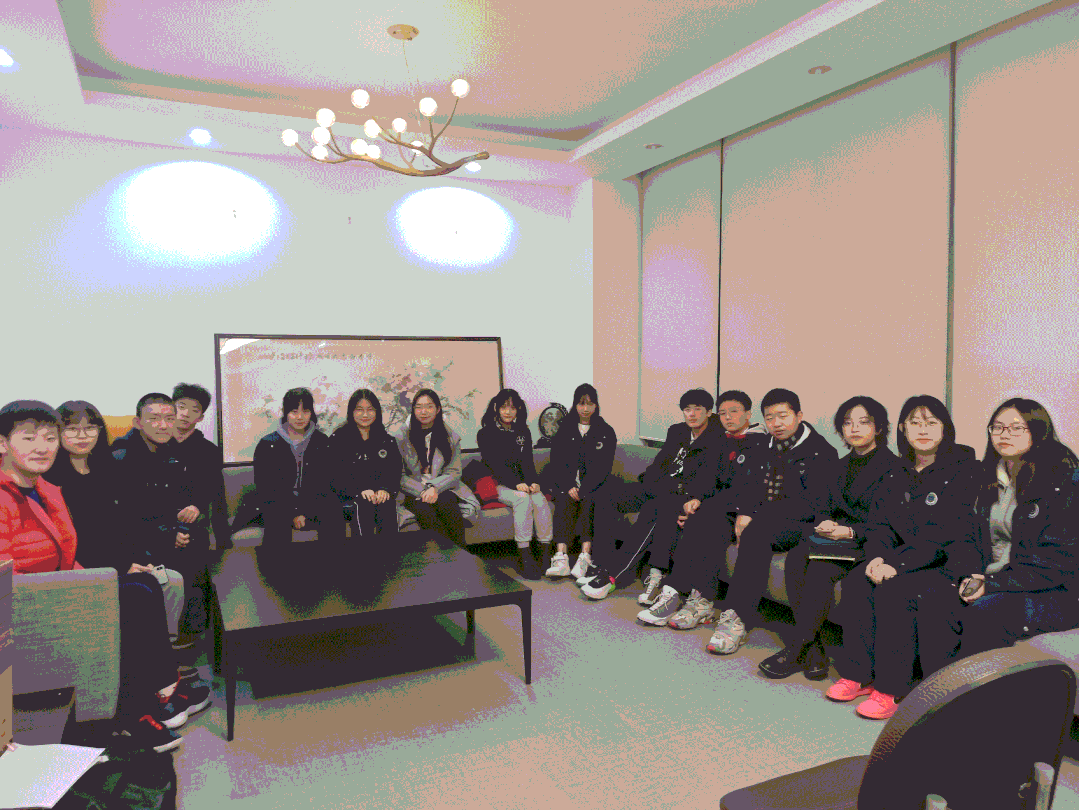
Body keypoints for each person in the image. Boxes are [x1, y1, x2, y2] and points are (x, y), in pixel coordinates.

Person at [0, 400, 210, 753]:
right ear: (3, 443)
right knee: (136, 594)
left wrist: (97, 580)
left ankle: (145, 701)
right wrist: (91, 585)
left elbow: (71, 554)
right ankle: (146, 702)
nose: (42, 447)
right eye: (29, 438)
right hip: (28, 607)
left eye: (49, 437)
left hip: (60, 590)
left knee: (143, 585)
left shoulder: (46, 489)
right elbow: (6, 579)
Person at [854, 398, 1079, 720]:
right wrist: (966, 575)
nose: (1005, 434)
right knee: (933, 596)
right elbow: (967, 537)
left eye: (1017, 428)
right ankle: (935, 698)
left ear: (1038, 431)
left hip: (1053, 590)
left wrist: (992, 583)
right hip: (996, 575)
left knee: (985, 612)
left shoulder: (1063, 482)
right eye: (998, 427)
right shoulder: (990, 477)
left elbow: (1057, 562)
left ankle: (971, 713)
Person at [823, 395, 978, 716]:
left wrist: (896, 564)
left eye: (931, 423)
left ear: (945, 428)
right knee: (857, 581)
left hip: (944, 561)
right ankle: (858, 674)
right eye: (914, 423)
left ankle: (891, 687)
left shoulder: (962, 471)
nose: (923, 430)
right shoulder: (898, 471)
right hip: (900, 557)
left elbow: (944, 534)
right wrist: (877, 557)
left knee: (894, 590)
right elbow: (881, 524)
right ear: (903, 429)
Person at [758, 395, 902, 680]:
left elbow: (888, 523)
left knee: (820, 571)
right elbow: (823, 505)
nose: (854, 428)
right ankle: (814, 649)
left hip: (869, 542)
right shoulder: (840, 464)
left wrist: (851, 531)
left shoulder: (893, 468)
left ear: (879, 427)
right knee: (797, 557)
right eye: (848, 423)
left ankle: (798, 647)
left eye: (863, 422)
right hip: (837, 539)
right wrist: (824, 521)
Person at [698, 388, 838, 656]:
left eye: (783, 416)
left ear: (799, 415)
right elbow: (749, 485)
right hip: (767, 519)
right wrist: (745, 510)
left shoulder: (821, 452)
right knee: (715, 517)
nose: (776, 423)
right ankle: (700, 598)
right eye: (770, 418)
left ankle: (737, 616)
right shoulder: (763, 445)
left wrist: (756, 515)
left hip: (804, 524)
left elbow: (814, 506)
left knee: (756, 533)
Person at [45, 400, 186, 638]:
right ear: (58, 433)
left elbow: (126, 524)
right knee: (159, 586)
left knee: (173, 580)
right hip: (86, 568)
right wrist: (122, 565)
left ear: (99, 431)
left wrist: (138, 560)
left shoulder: (108, 468)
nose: (82, 436)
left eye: (90, 428)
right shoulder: (51, 479)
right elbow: (78, 538)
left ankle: (162, 647)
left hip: (120, 560)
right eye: (72, 429)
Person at [633, 390, 771, 629]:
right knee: (689, 516)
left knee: (704, 523)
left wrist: (710, 505)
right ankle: (683, 596)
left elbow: (750, 488)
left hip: (745, 512)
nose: (728, 418)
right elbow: (710, 478)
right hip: (720, 507)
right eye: (723, 413)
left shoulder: (761, 443)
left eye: (734, 412)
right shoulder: (722, 440)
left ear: (748, 414)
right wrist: (697, 498)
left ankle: (693, 598)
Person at [580, 389, 722, 604]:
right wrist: (649, 481)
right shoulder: (677, 431)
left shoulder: (718, 438)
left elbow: (706, 480)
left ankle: (612, 576)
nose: (691, 414)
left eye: (697, 409)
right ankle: (602, 563)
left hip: (680, 496)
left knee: (653, 509)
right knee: (606, 496)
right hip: (657, 487)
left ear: (709, 412)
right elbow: (659, 464)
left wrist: (675, 491)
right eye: (687, 409)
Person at [112, 393, 213, 649]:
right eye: (154, 419)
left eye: (169, 419)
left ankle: (182, 637)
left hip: (160, 533)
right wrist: (168, 534)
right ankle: (166, 645)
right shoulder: (122, 457)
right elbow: (127, 516)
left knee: (196, 546)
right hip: (129, 545)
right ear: (137, 422)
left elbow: (171, 501)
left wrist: (177, 528)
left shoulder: (170, 452)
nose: (163, 425)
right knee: (179, 565)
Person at [540, 384, 616, 582]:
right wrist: (568, 486)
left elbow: (603, 467)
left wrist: (584, 489)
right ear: (575, 405)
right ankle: (561, 557)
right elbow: (556, 462)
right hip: (567, 485)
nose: (585, 409)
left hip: (593, 486)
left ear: (596, 405)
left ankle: (585, 556)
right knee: (563, 499)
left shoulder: (606, 431)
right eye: (581, 404)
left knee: (589, 500)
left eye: (590, 404)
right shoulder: (564, 429)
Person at [477, 388, 553, 579]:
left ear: (518, 409)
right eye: (504, 407)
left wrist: (534, 483)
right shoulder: (485, 433)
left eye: (512, 407)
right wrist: (516, 484)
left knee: (539, 499)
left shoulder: (523, 431)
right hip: (499, 484)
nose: (508, 412)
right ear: (496, 408)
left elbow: (527, 462)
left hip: (521, 484)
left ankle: (544, 553)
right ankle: (524, 556)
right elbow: (494, 465)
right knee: (522, 499)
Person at [253, 387, 342, 546]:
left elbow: (326, 483)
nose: (300, 417)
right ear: (285, 413)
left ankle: (331, 562)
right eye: (294, 412)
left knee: (332, 512)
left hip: (313, 504)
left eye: (305, 411)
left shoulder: (322, 441)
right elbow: (266, 487)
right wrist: (293, 513)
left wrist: (305, 512)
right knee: (277, 521)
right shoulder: (267, 444)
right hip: (278, 505)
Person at [396, 389, 480, 548]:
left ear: (438, 409)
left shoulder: (450, 436)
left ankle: (460, 556)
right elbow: (398, 475)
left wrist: (434, 487)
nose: (424, 411)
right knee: (425, 511)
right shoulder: (401, 437)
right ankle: (444, 558)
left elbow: (454, 472)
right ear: (413, 410)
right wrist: (423, 490)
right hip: (412, 491)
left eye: (429, 406)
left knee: (449, 506)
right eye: (419, 407)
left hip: (442, 488)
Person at [328, 388, 402, 540]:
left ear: (377, 412)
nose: (365, 415)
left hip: (377, 495)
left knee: (387, 503)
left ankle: (391, 553)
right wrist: (359, 490)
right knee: (364, 504)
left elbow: (394, 472)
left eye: (370, 409)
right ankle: (365, 554)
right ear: (351, 412)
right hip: (349, 497)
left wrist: (385, 490)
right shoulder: (338, 439)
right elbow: (334, 476)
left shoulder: (386, 440)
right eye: (359, 410)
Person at [171, 382, 233, 552]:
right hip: (159, 520)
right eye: (181, 407)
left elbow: (214, 490)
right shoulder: (156, 445)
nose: (186, 414)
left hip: (194, 519)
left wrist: (197, 505)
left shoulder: (209, 451)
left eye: (194, 410)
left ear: (201, 417)